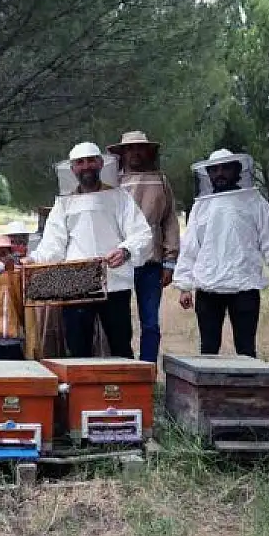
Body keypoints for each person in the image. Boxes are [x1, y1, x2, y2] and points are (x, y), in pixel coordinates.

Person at [26, 142, 153, 359]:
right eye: (80, 162)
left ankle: (127, 391)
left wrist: (125, 250)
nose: (86, 166)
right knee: (78, 349)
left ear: (101, 163)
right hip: (76, 283)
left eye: (91, 160)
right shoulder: (63, 204)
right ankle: (81, 393)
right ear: (72, 168)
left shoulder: (119, 197)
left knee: (120, 345)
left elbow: (142, 234)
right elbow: (53, 245)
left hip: (114, 280)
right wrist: (33, 260)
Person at [174, 149, 269, 358]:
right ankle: (208, 391)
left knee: (246, 349)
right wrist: (184, 286)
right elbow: (190, 248)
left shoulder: (255, 202)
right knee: (208, 350)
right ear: (208, 174)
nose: (220, 173)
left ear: (237, 170)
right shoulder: (201, 206)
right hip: (208, 287)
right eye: (215, 170)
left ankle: (247, 390)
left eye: (226, 168)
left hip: (245, 285)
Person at [108, 131, 181, 363]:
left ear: (148, 151)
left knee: (150, 321)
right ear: (121, 153)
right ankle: (126, 369)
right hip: (119, 261)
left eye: (139, 148)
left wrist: (170, 261)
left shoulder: (160, 180)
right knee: (119, 321)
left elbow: (169, 220)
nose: (135, 153)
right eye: (129, 149)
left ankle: (148, 368)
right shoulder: (112, 182)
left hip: (151, 261)